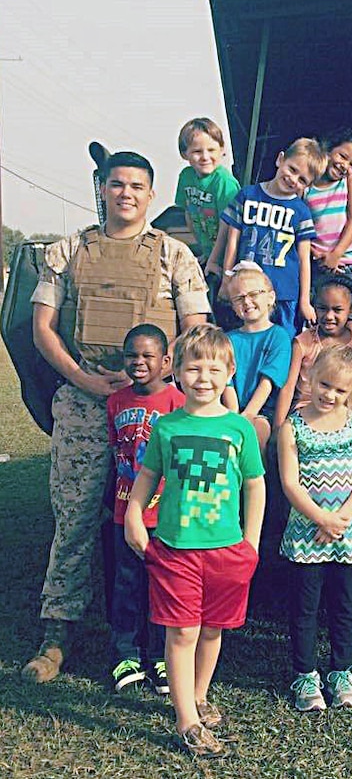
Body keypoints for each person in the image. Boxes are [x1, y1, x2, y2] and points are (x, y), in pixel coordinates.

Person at [23, 151, 209, 684]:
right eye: (117, 184)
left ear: (151, 195)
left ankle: (159, 636)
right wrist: (84, 381)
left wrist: (148, 380)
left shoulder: (175, 255)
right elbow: (43, 329)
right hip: (86, 402)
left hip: (155, 409)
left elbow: (193, 330)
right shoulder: (68, 251)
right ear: (101, 188)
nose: (126, 193)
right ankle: (56, 634)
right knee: (75, 520)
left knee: (165, 523)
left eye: (137, 186)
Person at [124, 324, 266, 758]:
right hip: (174, 549)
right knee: (182, 631)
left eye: (213, 368)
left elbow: (255, 486)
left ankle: (200, 696)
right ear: (178, 373)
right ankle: (186, 719)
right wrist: (134, 513)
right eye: (193, 368)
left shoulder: (239, 430)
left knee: (211, 629)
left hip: (227, 551)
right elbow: (148, 476)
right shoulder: (167, 427)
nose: (203, 377)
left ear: (230, 373)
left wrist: (252, 543)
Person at [278, 347, 352, 711]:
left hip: (346, 536)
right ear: (311, 375)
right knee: (305, 608)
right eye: (324, 384)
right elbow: (290, 483)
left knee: (344, 607)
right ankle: (305, 675)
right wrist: (320, 518)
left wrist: (340, 520)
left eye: (339, 390)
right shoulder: (293, 425)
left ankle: (342, 672)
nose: (329, 395)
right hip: (307, 534)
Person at [106, 324, 186, 694]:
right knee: (126, 586)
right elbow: (115, 454)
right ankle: (126, 653)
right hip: (126, 514)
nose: (138, 362)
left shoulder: (177, 404)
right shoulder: (116, 402)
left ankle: (159, 655)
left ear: (166, 362)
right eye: (131, 355)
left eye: (147, 355)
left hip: (165, 518)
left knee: (162, 587)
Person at [221, 137, 328, 338]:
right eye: (292, 169)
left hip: (284, 293)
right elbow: (232, 241)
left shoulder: (301, 211)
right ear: (280, 159)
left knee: (282, 343)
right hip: (247, 291)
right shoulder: (248, 195)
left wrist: (304, 300)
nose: (293, 179)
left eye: (302, 179)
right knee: (243, 340)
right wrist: (226, 280)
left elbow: (304, 259)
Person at [275, 273, 352, 428]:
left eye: (337, 310)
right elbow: (288, 387)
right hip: (304, 413)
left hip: (342, 414)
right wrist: (278, 428)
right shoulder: (302, 342)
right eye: (322, 308)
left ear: (351, 310)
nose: (329, 316)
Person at [222, 262, 291, 454]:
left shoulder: (278, 336)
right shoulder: (228, 339)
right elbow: (226, 381)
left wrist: (248, 414)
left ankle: (256, 482)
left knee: (255, 432)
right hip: (230, 408)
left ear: (270, 297)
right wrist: (234, 414)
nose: (247, 301)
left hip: (262, 411)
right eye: (239, 298)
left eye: (253, 294)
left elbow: (268, 381)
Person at [304, 128, 352, 320]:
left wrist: (336, 254)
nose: (345, 166)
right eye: (343, 156)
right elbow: (299, 225)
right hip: (317, 263)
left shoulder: (350, 181)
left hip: (346, 263)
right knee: (321, 319)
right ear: (327, 149)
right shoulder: (307, 185)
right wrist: (316, 255)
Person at [174, 117, 240, 278]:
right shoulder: (185, 176)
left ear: (222, 149)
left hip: (229, 256)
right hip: (209, 250)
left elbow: (230, 228)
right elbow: (188, 212)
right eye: (197, 151)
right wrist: (206, 252)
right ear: (184, 154)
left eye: (211, 150)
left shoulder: (224, 182)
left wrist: (216, 260)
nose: (205, 157)